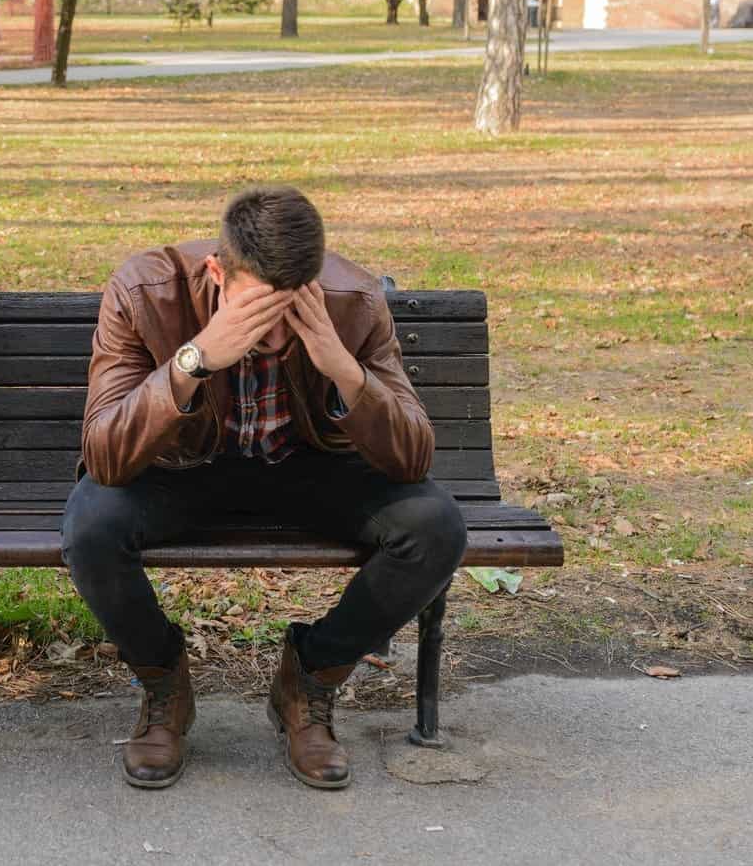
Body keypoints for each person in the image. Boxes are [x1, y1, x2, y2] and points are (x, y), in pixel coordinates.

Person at [61, 186, 465, 791]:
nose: (272, 336)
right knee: (90, 524)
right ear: (218, 272)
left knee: (436, 527)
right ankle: (164, 684)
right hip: (184, 471)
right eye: (256, 312)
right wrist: (193, 362)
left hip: (308, 469)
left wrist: (339, 364)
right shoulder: (146, 290)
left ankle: (311, 678)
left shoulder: (351, 300)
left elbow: (412, 458)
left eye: (290, 313)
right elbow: (106, 457)